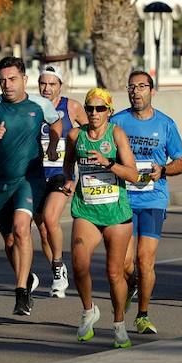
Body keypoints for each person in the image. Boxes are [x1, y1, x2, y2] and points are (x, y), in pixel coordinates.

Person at [0, 57, 61, 317]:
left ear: (24, 80)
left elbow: (56, 122)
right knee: (10, 242)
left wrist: (52, 146)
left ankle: (21, 295)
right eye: (2, 80)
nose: (7, 85)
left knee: (22, 229)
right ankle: (26, 278)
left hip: (29, 180)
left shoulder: (39, 104)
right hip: (1, 185)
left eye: (12, 79)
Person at [112, 70, 182, 335]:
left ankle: (143, 315)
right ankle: (132, 282)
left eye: (142, 86)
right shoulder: (117, 122)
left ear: (152, 91)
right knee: (125, 263)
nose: (136, 91)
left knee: (145, 260)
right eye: (131, 87)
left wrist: (164, 170)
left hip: (153, 198)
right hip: (123, 199)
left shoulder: (165, 124)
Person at [62, 87, 136, 348]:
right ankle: (89, 310)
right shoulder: (75, 135)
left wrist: (109, 163)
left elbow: (134, 175)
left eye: (100, 108)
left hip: (116, 213)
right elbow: (68, 164)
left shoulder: (116, 134)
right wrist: (70, 180)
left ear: (109, 112)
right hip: (86, 209)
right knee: (79, 264)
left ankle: (119, 325)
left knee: (114, 273)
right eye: (90, 108)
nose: (94, 113)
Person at [36, 65, 86, 298]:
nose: (46, 88)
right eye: (43, 84)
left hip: (62, 174)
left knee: (50, 218)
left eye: (52, 84)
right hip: (36, 174)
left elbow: (91, 137)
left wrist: (77, 177)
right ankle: (59, 270)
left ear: (60, 86)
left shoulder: (72, 107)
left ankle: (57, 268)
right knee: (43, 230)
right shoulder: (32, 107)